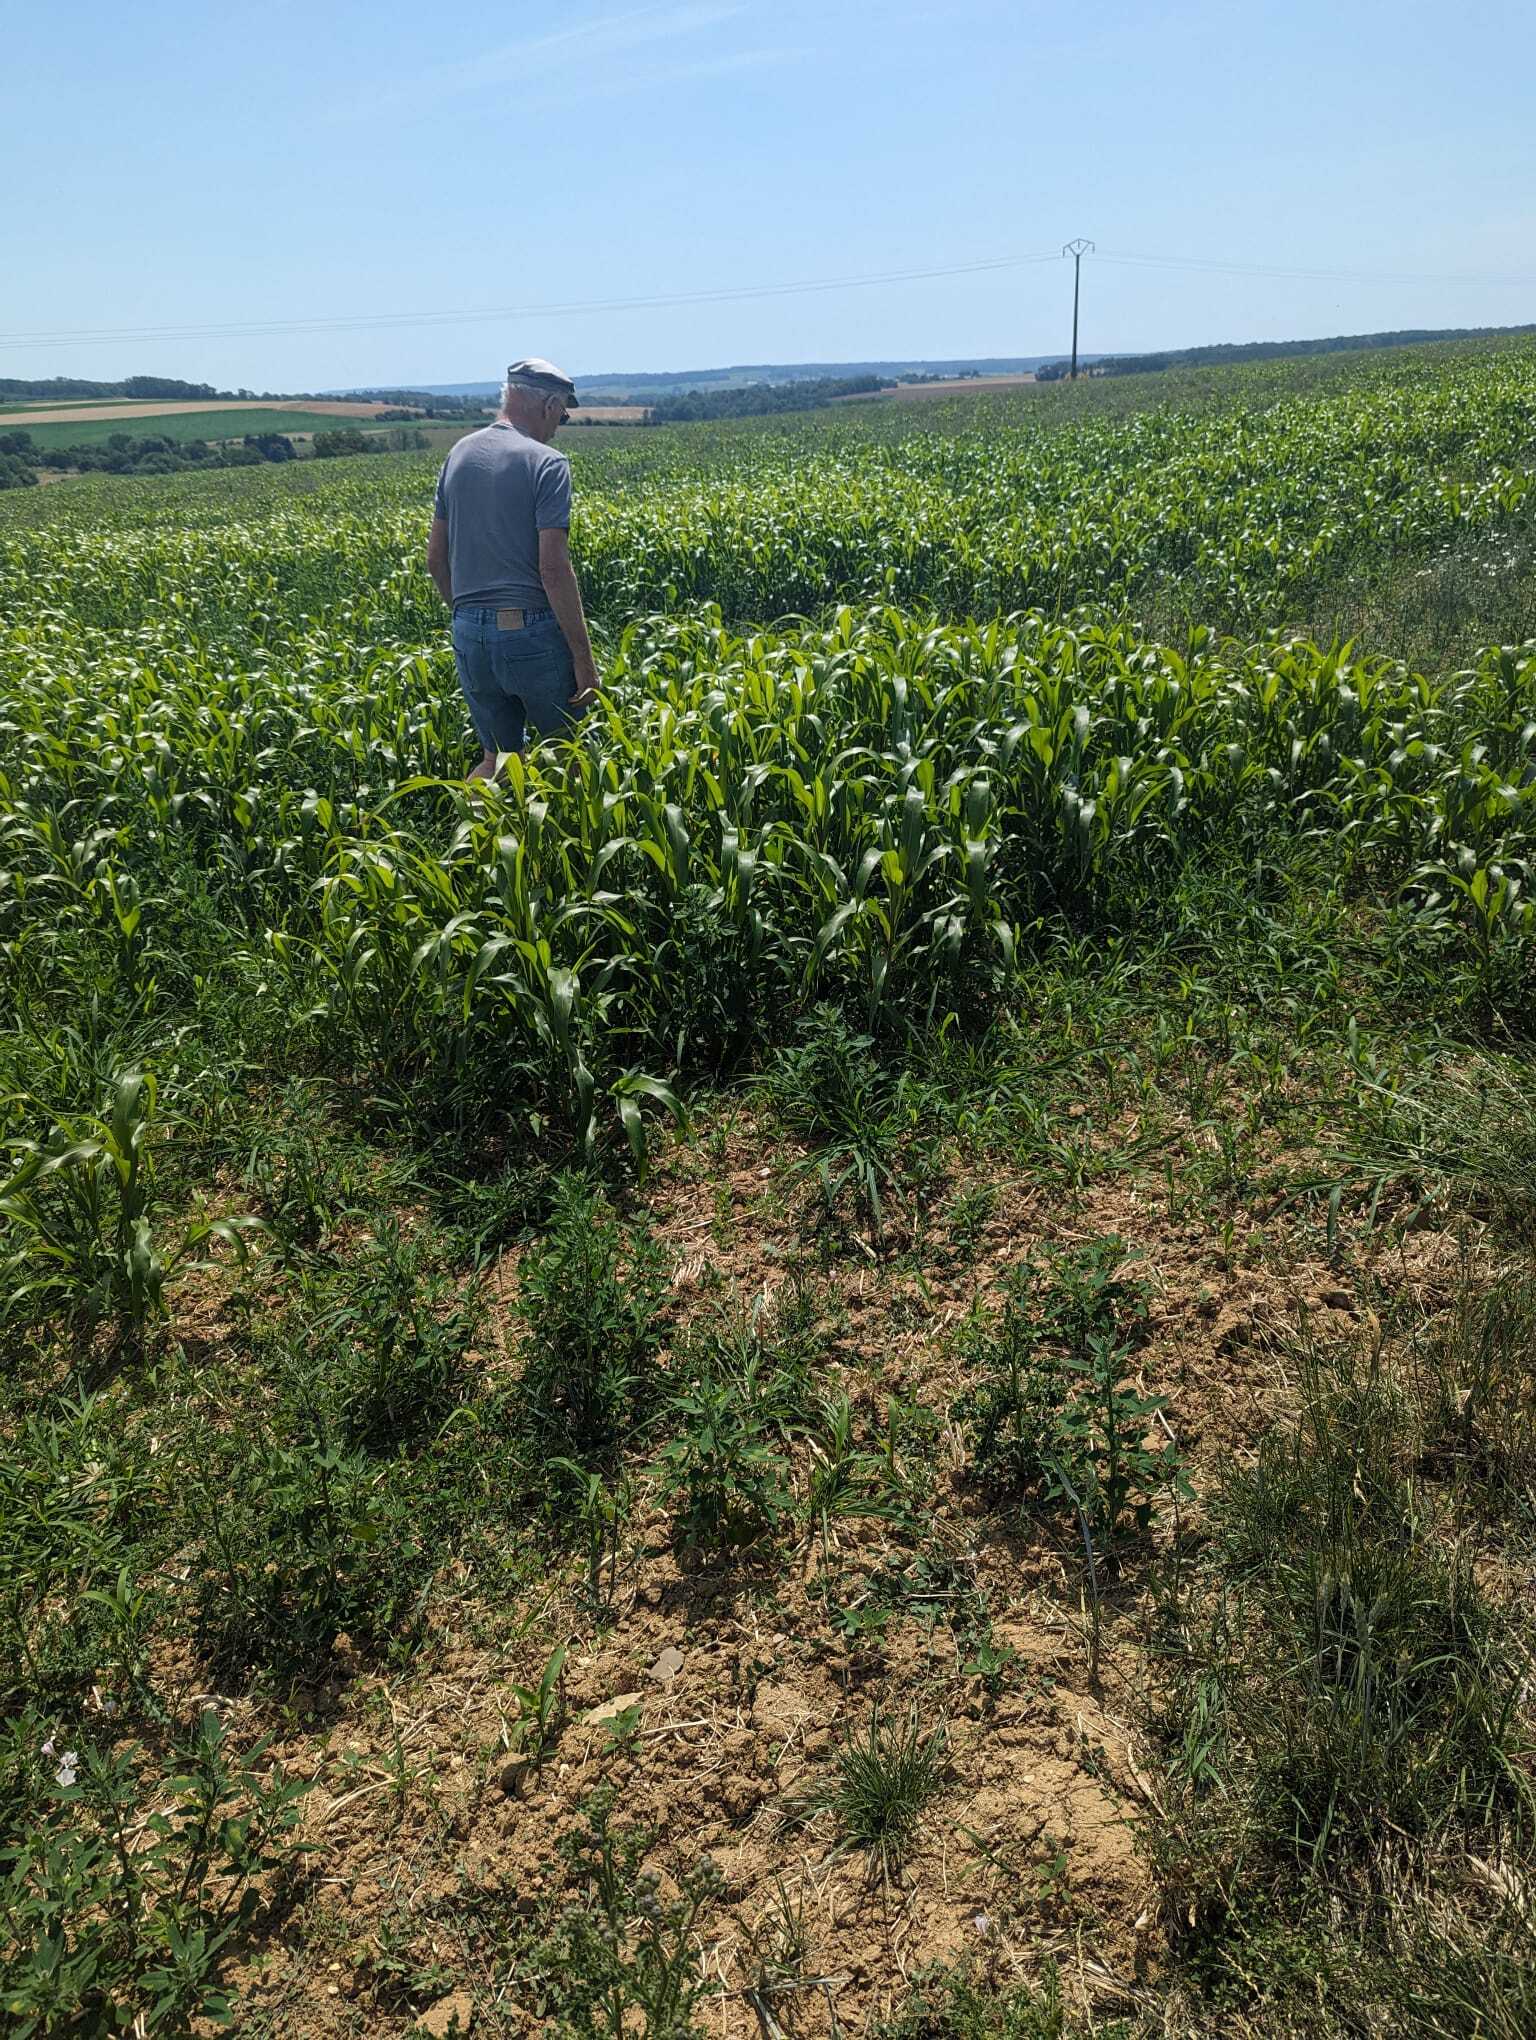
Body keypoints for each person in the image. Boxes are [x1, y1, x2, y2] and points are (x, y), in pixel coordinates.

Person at [426, 357, 598, 780]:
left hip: (468, 631)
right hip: (530, 634)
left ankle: (469, 844)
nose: (561, 423)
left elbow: (435, 559)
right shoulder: (547, 463)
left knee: (497, 761)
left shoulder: (458, 454)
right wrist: (583, 660)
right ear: (549, 404)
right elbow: (553, 569)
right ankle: (572, 845)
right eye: (562, 412)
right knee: (570, 759)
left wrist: (469, 618)